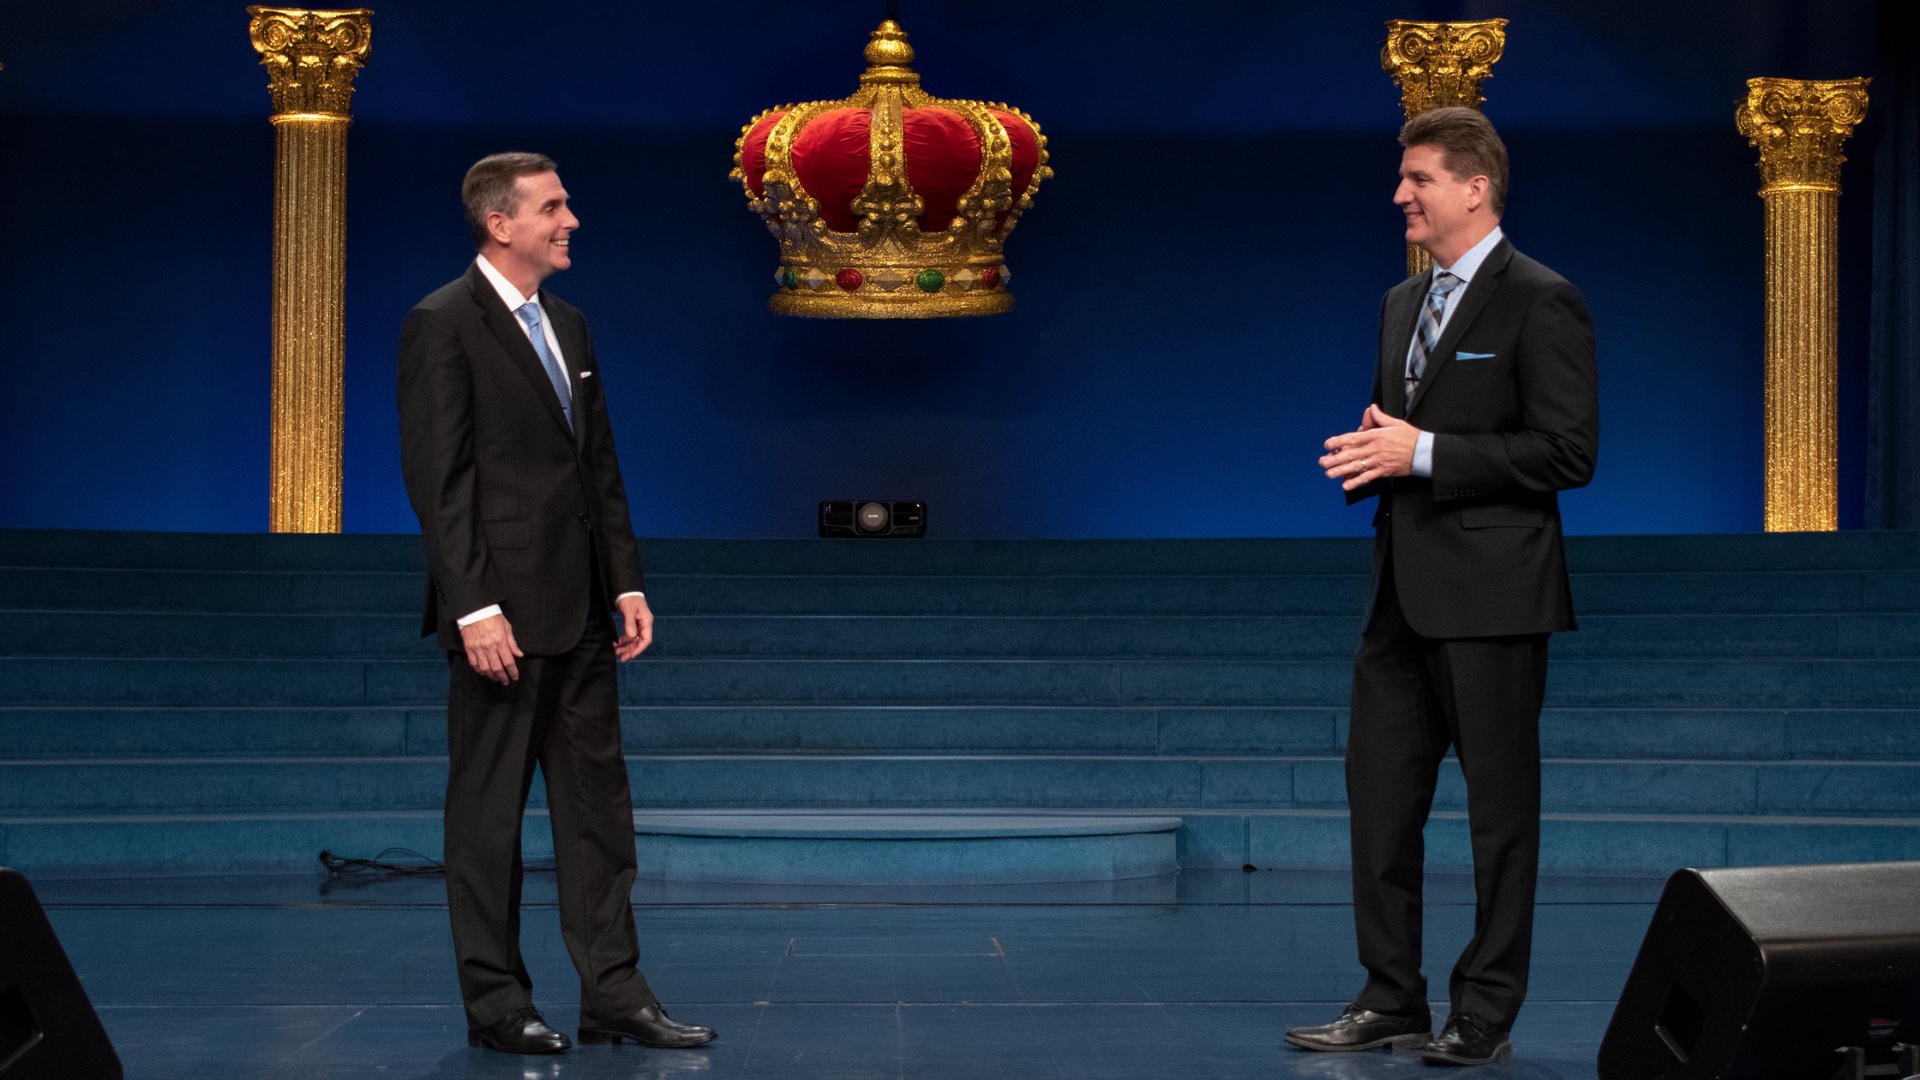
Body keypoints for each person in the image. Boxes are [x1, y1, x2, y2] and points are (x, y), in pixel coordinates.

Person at [1285, 107, 1598, 1067]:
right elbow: (1410, 433)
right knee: (1379, 802)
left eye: (1418, 179)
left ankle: (1486, 1012)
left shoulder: (1541, 298)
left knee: (1500, 820)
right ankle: (1391, 997)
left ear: (1475, 187)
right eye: (1403, 178)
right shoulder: (1400, 303)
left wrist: (1422, 451)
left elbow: (1566, 453)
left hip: (1495, 598)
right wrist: (1376, 457)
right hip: (1399, 594)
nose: (1400, 195)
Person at [397, 152, 715, 1056]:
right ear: (501, 224)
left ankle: (614, 994)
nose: (570, 220)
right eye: (553, 207)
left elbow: (595, 466)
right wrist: (473, 607)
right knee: (488, 822)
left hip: (580, 613)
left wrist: (626, 581)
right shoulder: (441, 323)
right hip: (499, 620)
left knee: (598, 817)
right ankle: (498, 1006)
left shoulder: (568, 323)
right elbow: (439, 482)